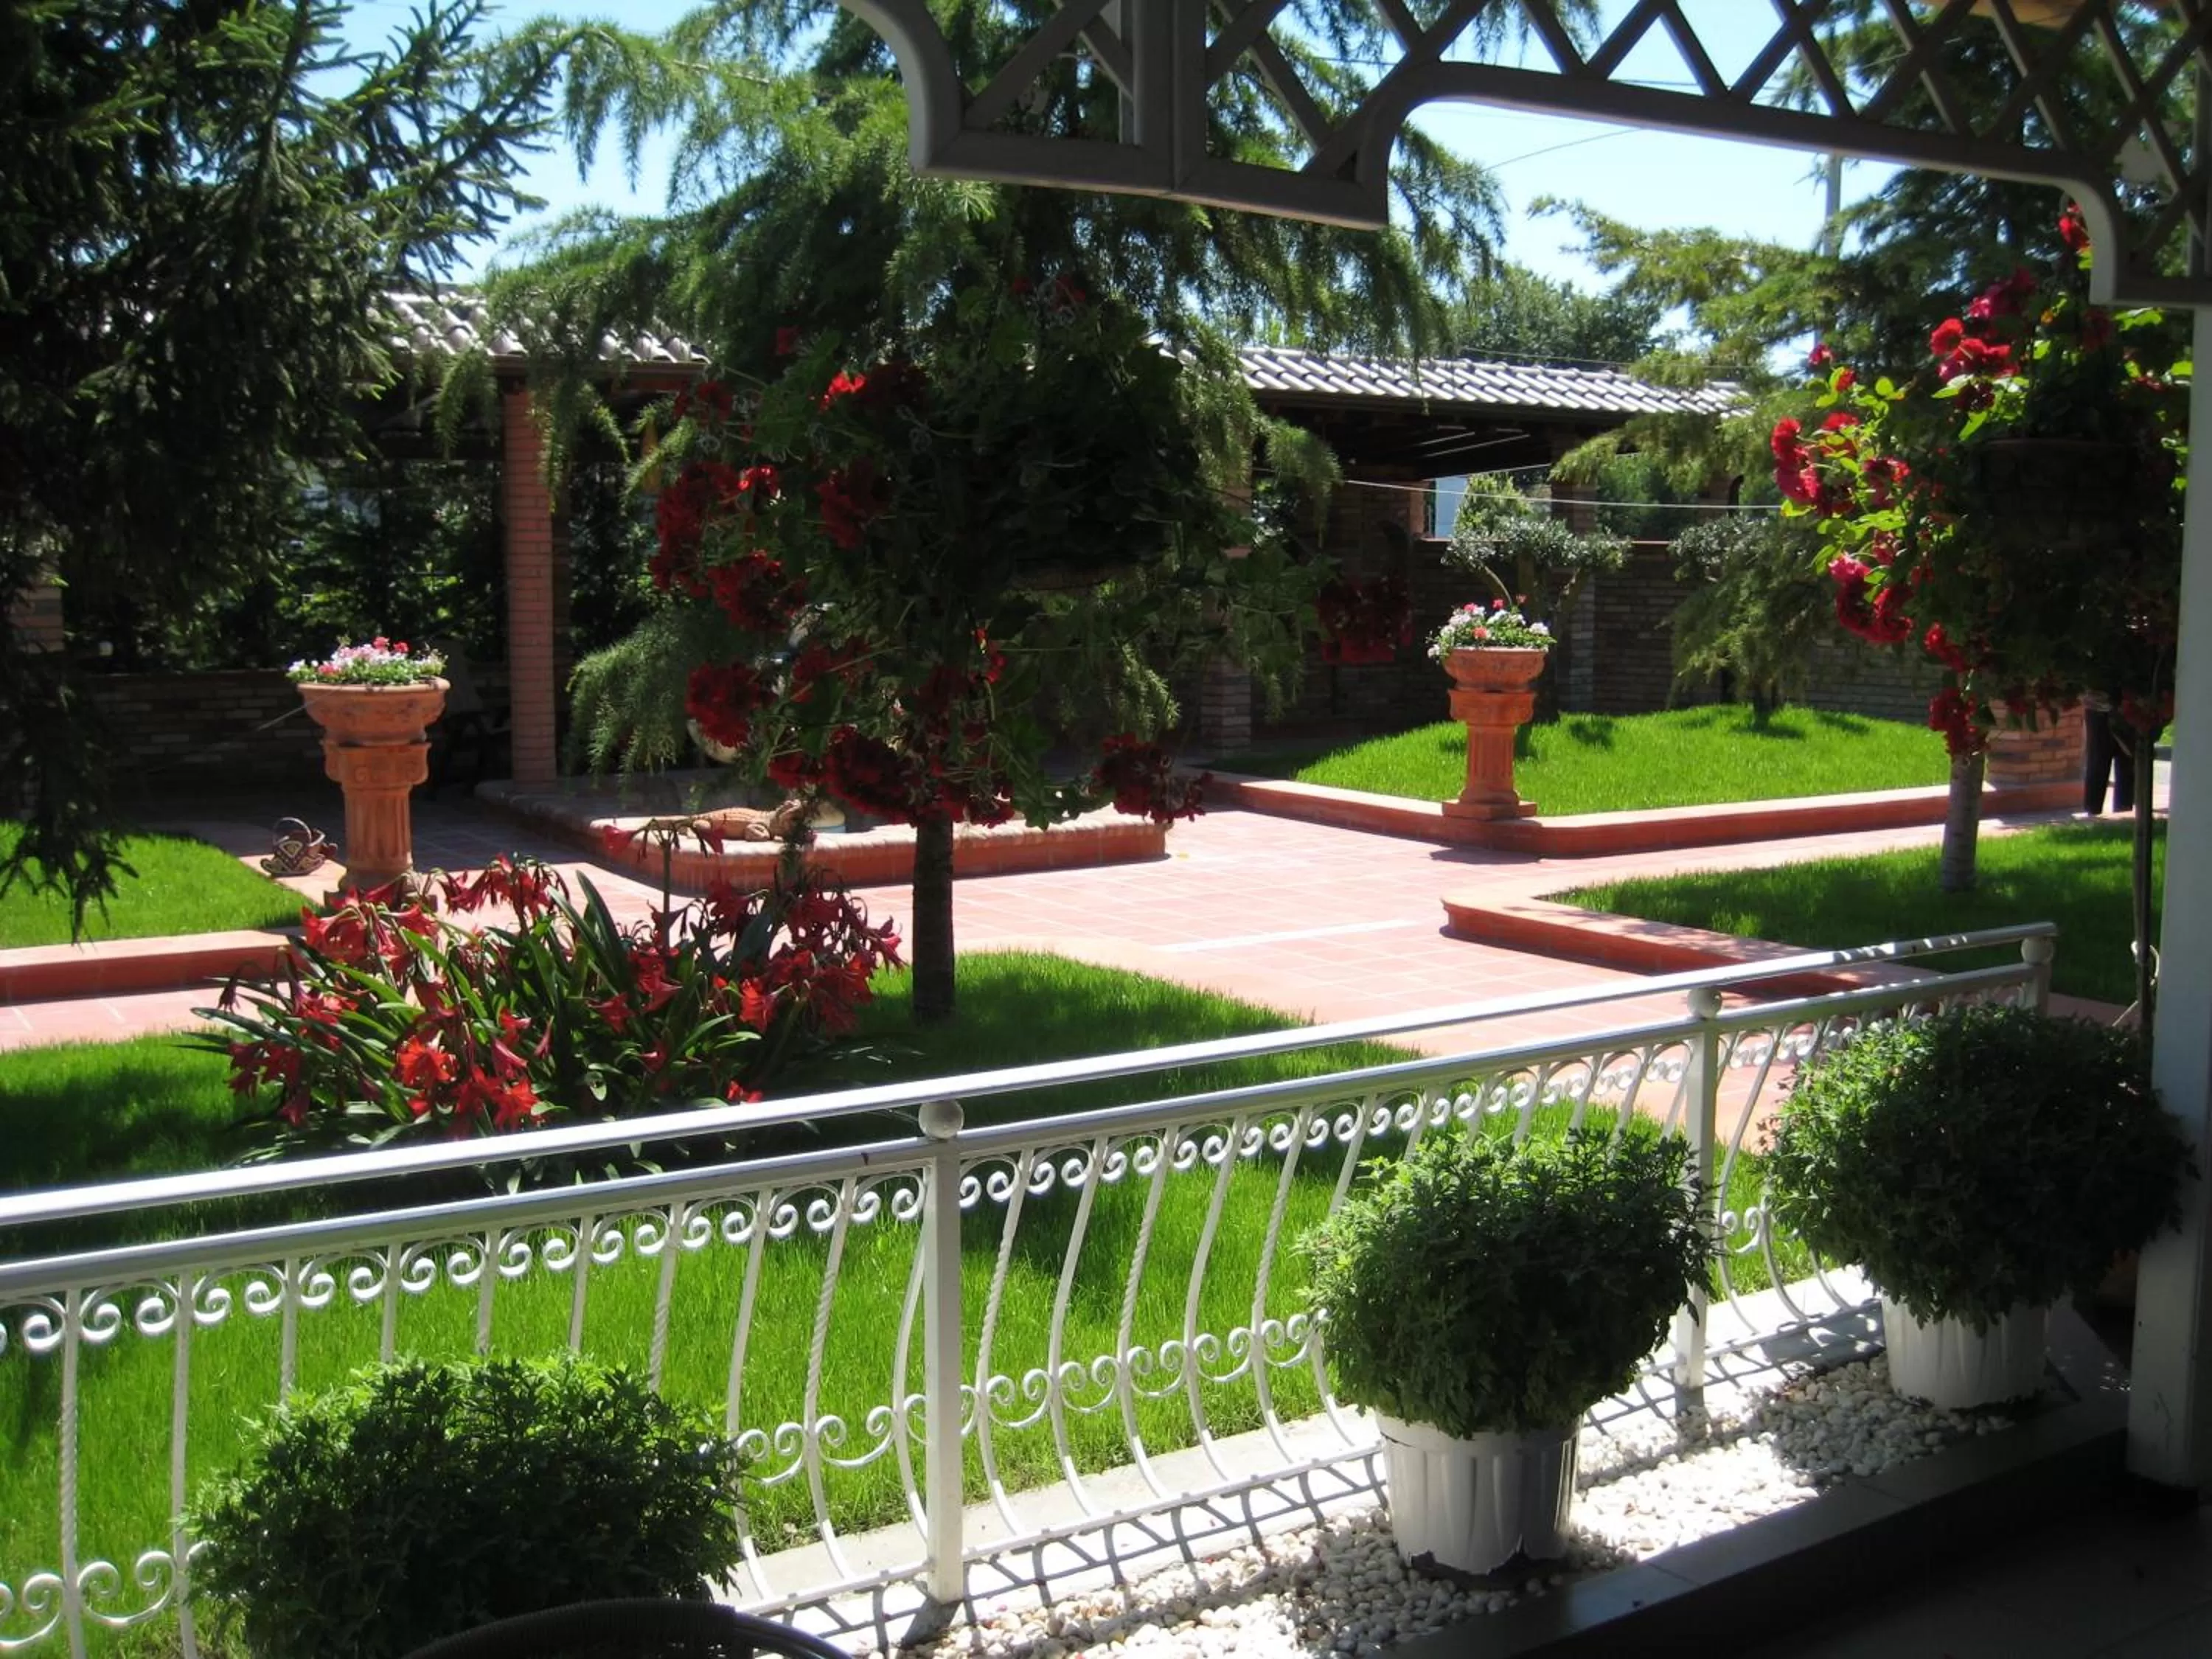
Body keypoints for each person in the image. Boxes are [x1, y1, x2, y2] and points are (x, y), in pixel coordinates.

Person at [2081, 690, 2135, 815]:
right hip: (2098, 706)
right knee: (2098, 760)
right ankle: (2093, 809)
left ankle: (2123, 811)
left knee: (2126, 759)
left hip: (2124, 705)